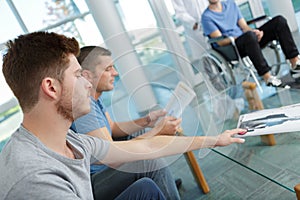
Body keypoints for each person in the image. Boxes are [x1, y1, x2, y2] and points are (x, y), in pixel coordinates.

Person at [0, 31, 246, 199]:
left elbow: (143, 150)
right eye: (77, 76)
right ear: (51, 88)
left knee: (147, 185)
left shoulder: (69, 141)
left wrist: (215, 139)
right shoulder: (36, 180)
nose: (87, 84)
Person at [71, 46, 182, 200]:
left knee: (141, 132)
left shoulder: (94, 97)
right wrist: (157, 131)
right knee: (150, 162)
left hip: (106, 170)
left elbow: (114, 128)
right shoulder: (84, 109)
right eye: (108, 69)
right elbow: (112, 158)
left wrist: (148, 120)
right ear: (87, 75)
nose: (115, 73)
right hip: (94, 184)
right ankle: (161, 182)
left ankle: (162, 182)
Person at [201, 0, 300, 87]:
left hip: (249, 39)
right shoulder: (206, 17)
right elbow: (220, 41)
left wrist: (255, 32)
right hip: (233, 47)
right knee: (249, 37)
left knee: (279, 21)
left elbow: (244, 26)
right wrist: (247, 35)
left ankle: (295, 63)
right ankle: (267, 77)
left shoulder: (231, 4)